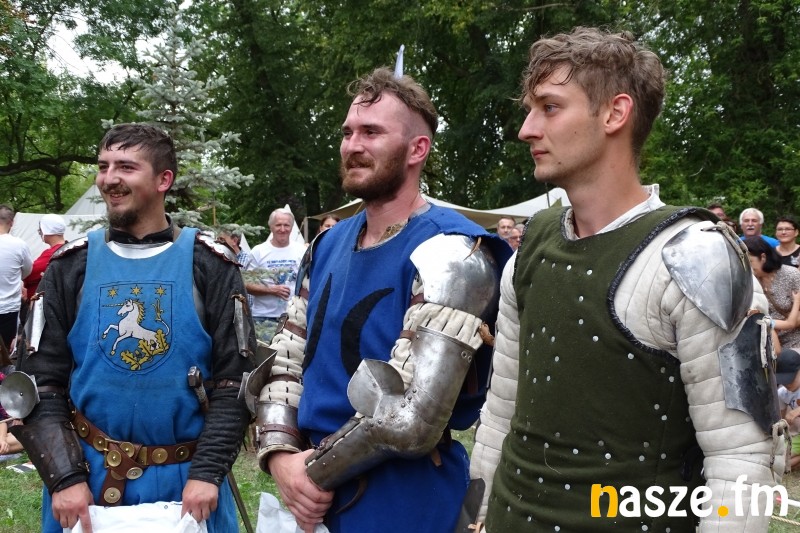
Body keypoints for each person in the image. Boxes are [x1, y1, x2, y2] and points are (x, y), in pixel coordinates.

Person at [469, 27, 783, 532]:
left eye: (549, 107)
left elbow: (741, 462)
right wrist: (478, 518)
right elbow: (500, 413)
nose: (527, 129)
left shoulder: (696, 258)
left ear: (615, 113)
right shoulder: (531, 249)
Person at [253, 67, 510, 533]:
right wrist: (280, 456)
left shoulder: (453, 252)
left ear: (417, 149)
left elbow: (410, 414)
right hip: (312, 498)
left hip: (402, 501)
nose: (352, 145)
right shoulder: (326, 245)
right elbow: (286, 356)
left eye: (371, 132)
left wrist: (310, 475)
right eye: (348, 132)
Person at [12, 123, 255, 532]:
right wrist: (65, 477)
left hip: (189, 484)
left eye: (126, 167)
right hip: (87, 479)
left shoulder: (209, 264)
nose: (109, 179)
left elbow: (236, 381)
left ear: (164, 180)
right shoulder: (70, 265)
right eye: (103, 166)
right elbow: (39, 380)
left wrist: (208, 471)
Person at [244, 208, 306, 343]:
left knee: (292, 355)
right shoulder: (258, 251)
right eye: (278, 225)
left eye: (286, 225)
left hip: (294, 318)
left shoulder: (302, 251)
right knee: (265, 354)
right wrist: (271, 290)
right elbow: (245, 284)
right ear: (271, 226)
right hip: (264, 318)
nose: (282, 229)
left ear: (291, 227)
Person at [744, 236, 800, 350]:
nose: (747, 267)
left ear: (763, 257)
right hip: (765, 344)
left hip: (795, 340)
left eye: (750, 262)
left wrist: (774, 324)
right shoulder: (748, 281)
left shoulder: (791, 275)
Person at [0, 204, 32, 352]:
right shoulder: (20, 245)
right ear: (11, 223)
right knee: (6, 352)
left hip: (10, 307)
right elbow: (27, 270)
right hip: (9, 307)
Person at [23, 214, 67, 299]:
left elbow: (29, 274)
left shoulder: (52, 253)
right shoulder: (66, 248)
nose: (39, 232)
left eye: (41, 229)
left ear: (47, 230)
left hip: (44, 300)